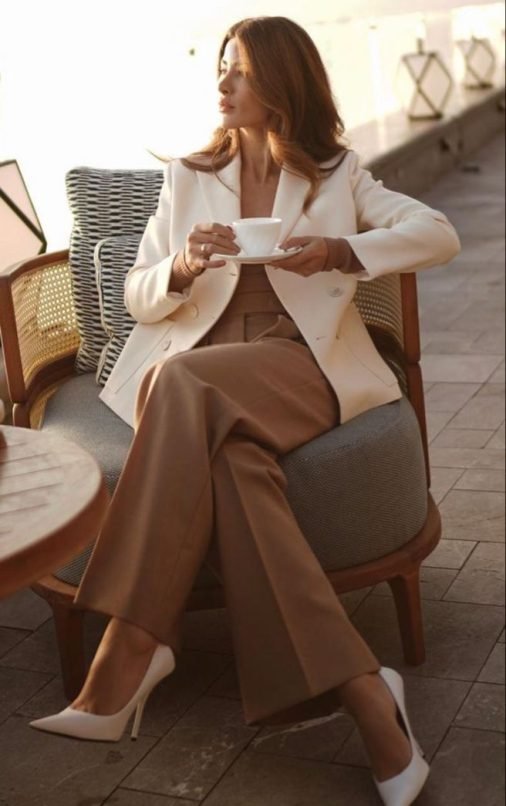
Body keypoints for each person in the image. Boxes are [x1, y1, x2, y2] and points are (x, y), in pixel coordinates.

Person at [31, 16, 460, 806]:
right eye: (221, 67)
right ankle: (370, 697)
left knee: (179, 389)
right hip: (202, 357)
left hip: (296, 362)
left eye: (241, 71)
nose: (222, 83)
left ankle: (131, 647)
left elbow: (436, 233)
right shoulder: (190, 174)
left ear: (281, 86)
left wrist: (341, 251)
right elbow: (135, 291)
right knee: (225, 450)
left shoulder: (338, 172)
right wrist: (184, 267)